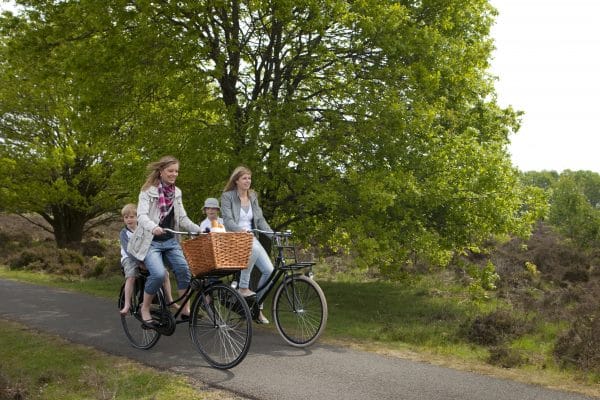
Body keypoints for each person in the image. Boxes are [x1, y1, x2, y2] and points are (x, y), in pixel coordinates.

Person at [127, 156, 201, 326]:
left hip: (170, 241)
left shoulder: (177, 192)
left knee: (184, 270)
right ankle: (145, 308)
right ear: (161, 172)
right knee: (159, 274)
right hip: (151, 242)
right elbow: (142, 215)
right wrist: (153, 227)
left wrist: (199, 230)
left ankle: (184, 310)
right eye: (170, 171)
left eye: (176, 171)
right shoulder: (147, 191)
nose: (174, 174)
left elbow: (182, 217)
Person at [221, 165, 273, 324]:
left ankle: (257, 308)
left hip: (251, 239)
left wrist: (272, 234)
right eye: (244, 178)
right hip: (235, 239)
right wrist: (241, 231)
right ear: (236, 180)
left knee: (269, 271)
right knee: (252, 244)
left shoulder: (253, 196)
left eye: (249, 178)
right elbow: (228, 221)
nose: (248, 181)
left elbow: (260, 219)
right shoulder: (227, 197)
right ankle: (243, 287)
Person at [118, 203, 176, 315]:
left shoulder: (144, 229)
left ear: (138, 218)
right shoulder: (124, 233)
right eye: (126, 217)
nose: (129, 220)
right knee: (131, 276)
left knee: (164, 273)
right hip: (130, 259)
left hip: (144, 257)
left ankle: (170, 300)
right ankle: (127, 304)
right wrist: (139, 262)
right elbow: (128, 250)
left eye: (132, 217)